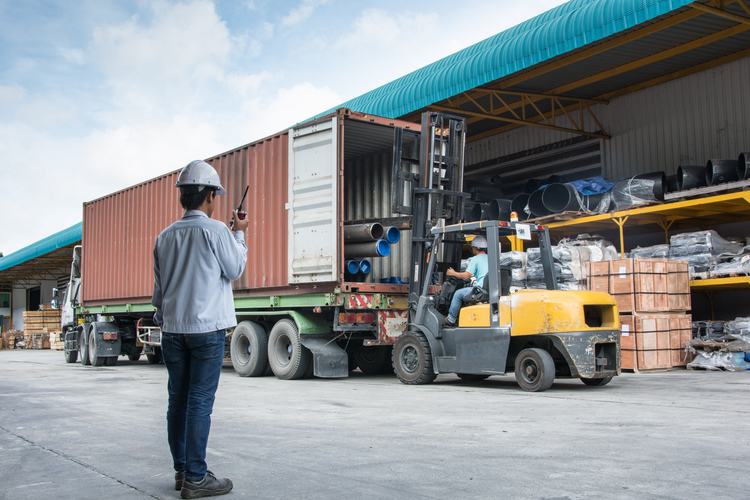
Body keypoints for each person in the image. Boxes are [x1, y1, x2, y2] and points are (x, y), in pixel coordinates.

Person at [152, 160, 248, 499]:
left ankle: (183, 472)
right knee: (199, 403)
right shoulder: (218, 231)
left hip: (173, 331)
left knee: (177, 402)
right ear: (209, 195)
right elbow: (235, 269)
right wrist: (240, 233)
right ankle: (196, 477)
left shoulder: (164, 238)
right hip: (206, 331)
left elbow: (159, 294)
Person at [444, 235, 489, 327]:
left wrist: (453, 273)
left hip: (480, 289)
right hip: (488, 289)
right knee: (469, 297)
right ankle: (468, 319)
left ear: (475, 247)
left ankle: (451, 319)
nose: (472, 249)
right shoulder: (490, 258)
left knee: (458, 294)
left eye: (472, 247)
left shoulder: (475, 259)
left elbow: (466, 276)